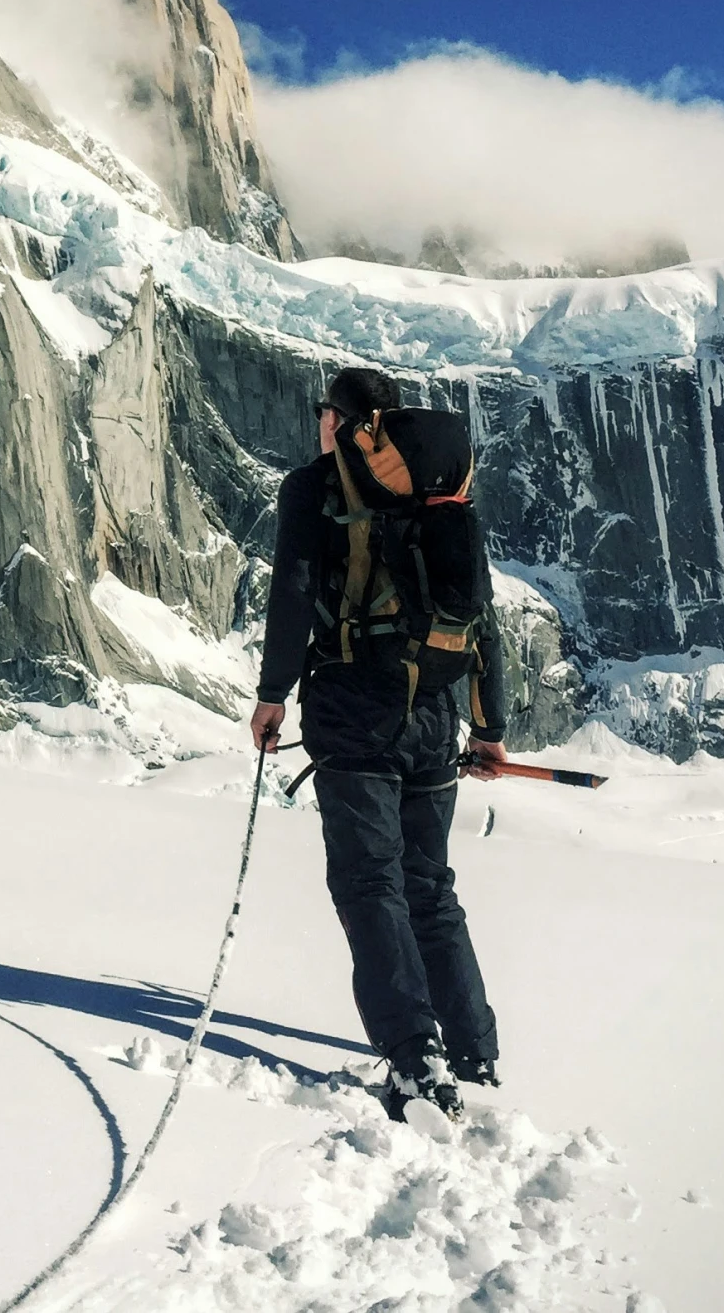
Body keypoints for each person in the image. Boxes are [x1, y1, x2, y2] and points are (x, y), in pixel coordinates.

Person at [248, 366, 508, 1122]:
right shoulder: (440, 488)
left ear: (343, 421)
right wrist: (487, 728)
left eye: (323, 411)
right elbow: (479, 612)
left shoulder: (313, 487)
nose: (319, 424)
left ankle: (412, 1058)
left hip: (354, 710)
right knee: (429, 885)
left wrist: (273, 695)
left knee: (371, 885)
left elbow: (293, 592)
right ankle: (473, 1053)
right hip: (434, 711)